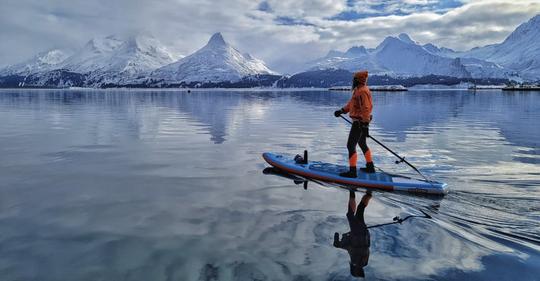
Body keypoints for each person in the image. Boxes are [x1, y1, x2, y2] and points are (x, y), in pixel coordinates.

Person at [334, 71, 375, 177]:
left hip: (359, 122)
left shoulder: (362, 91)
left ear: (358, 80)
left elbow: (366, 109)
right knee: (362, 143)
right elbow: (352, 104)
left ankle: (352, 172)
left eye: (354, 79)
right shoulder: (359, 90)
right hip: (362, 121)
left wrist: (365, 125)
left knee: (350, 145)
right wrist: (342, 110)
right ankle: (370, 167)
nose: (353, 81)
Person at [333, 190, 372, 278]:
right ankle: (352, 189)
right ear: (354, 269)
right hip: (357, 233)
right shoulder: (355, 261)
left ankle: (369, 194)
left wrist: (366, 233)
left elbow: (366, 248)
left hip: (364, 233)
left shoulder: (365, 262)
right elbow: (350, 247)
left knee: (360, 209)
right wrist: (338, 244)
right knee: (350, 214)